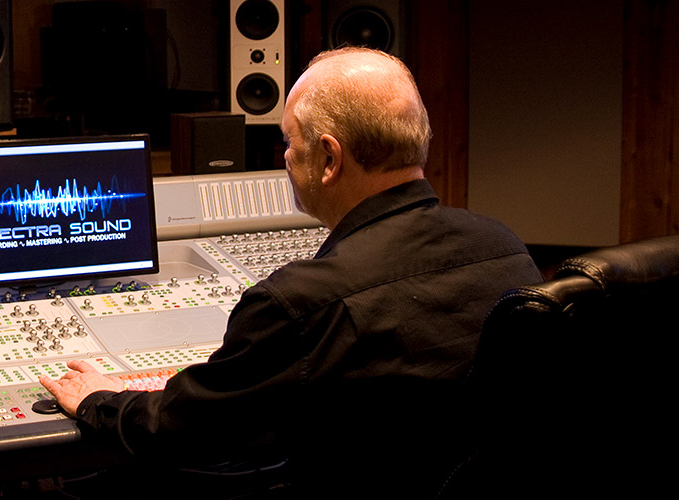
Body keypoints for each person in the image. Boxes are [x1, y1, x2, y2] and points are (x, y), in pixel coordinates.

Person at [39, 47, 544, 498]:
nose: (284, 157)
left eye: (289, 142)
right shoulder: (505, 249)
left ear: (329, 158)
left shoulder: (300, 303)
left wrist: (99, 401)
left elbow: (183, 430)